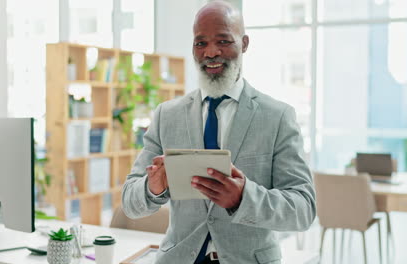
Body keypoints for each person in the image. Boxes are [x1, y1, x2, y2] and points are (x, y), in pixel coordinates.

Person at [122, 1, 316, 264]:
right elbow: (130, 203)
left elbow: (303, 209)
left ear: (244, 43)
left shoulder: (278, 116)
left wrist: (244, 198)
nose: (211, 52)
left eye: (223, 41)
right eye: (200, 43)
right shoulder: (167, 115)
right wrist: (152, 188)